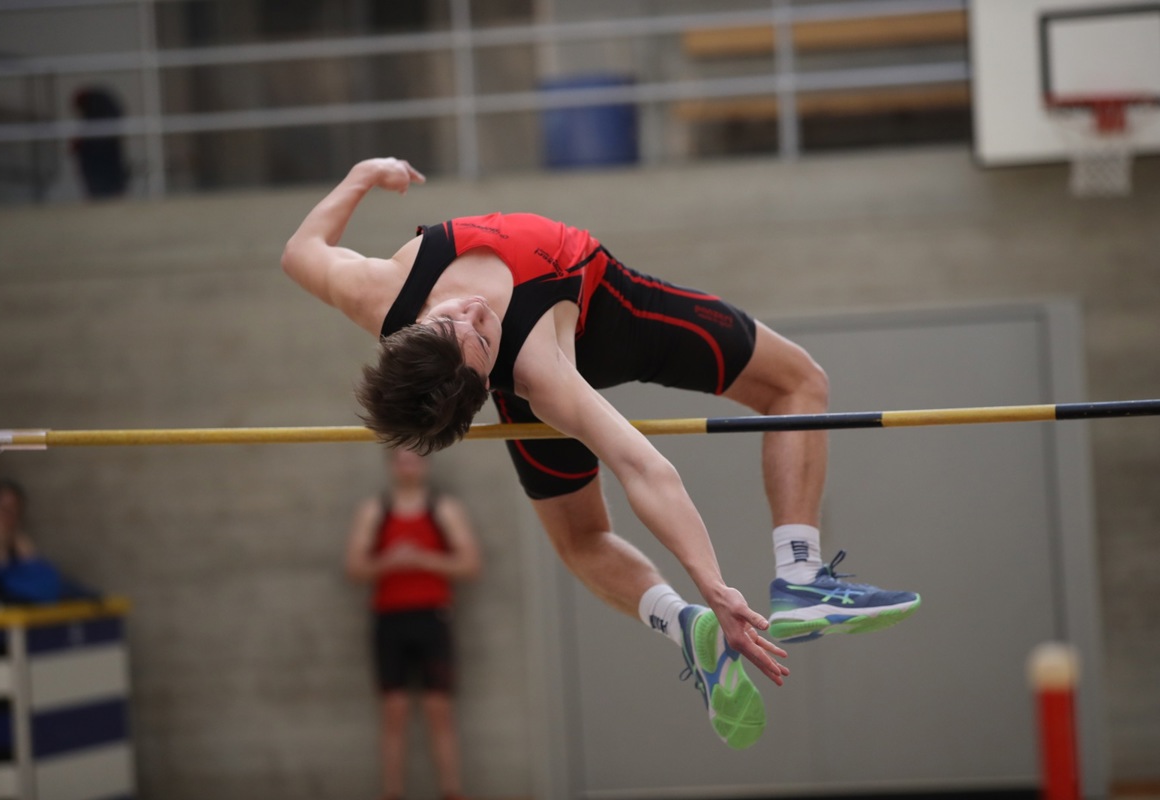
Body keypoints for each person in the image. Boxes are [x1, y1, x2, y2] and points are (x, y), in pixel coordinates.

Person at [284, 157, 921, 750]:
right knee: (795, 384)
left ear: (412, 330)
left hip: (571, 318)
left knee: (588, 533)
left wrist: (363, 176)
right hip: (614, 318)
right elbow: (645, 468)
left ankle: (741, 599)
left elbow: (299, 253)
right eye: (480, 336)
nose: (474, 309)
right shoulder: (540, 374)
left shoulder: (382, 292)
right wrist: (714, 587)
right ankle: (770, 592)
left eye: (452, 318)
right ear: (485, 383)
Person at [345, 447, 481, 800]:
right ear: (391, 465)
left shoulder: (445, 509)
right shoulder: (375, 510)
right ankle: (392, 793)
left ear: (426, 463)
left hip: (432, 618)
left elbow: (469, 565)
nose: (409, 466)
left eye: (415, 458)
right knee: (395, 711)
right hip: (389, 620)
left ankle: (451, 791)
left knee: (439, 710)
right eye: (402, 459)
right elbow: (355, 568)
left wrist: (421, 559)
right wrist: (389, 562)